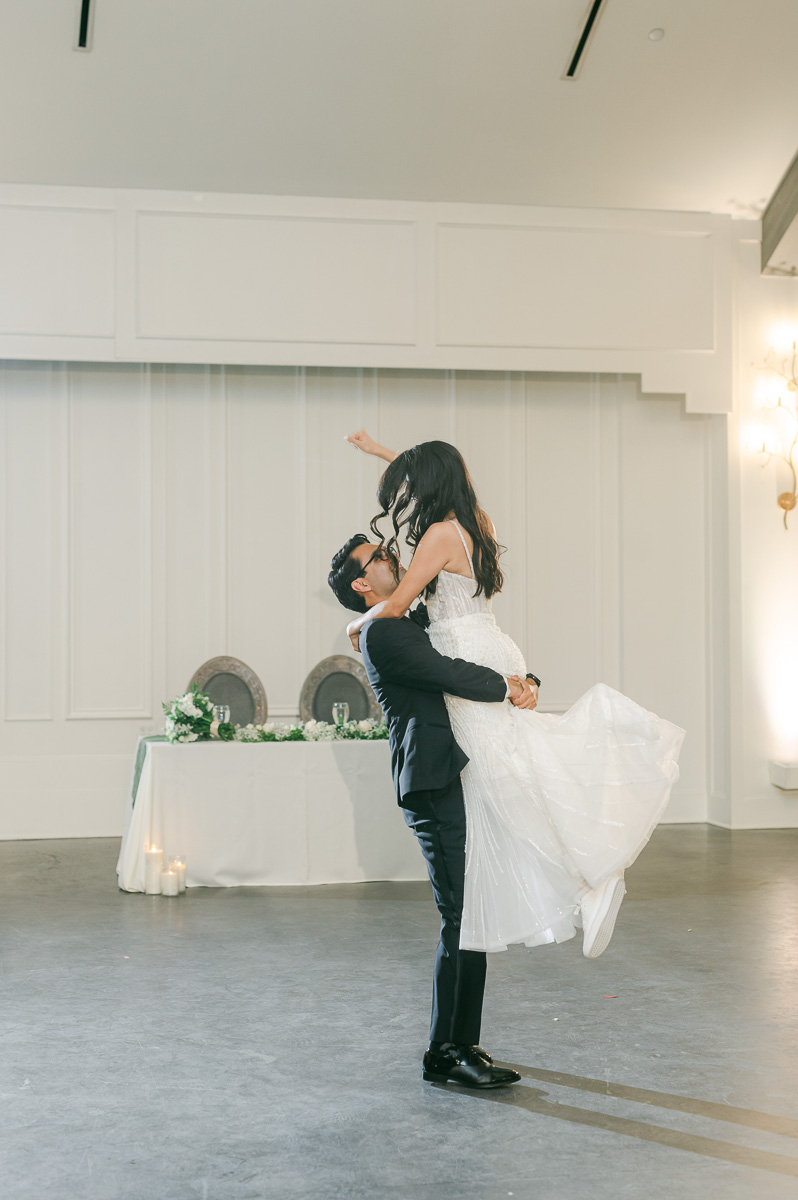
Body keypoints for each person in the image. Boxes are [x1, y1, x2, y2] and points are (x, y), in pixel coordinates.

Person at [343, 431, 686, 961]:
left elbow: (396, 605)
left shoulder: (436, 535)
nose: (402, 502)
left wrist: (358, 622)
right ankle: (582, 871)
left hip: (467, 656)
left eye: (409, 486)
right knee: (523, 772)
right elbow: (440, 477)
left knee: (509, 785)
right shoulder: (478, 525)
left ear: (428, 486)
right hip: (492, 646)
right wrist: (384, 453)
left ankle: (585, 872)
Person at [328, 534, 538, 1088]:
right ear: (360, 582)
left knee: (473, 912)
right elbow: (448, 672)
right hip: (433, 781)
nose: (393, 557)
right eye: (379, 557)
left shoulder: (402, 619)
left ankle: (464, 1044)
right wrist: (508, 686)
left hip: (458, 774)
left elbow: (470, 643)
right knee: (461, 916)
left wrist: (525, 679)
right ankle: (444, 1052)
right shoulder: (384, 633)